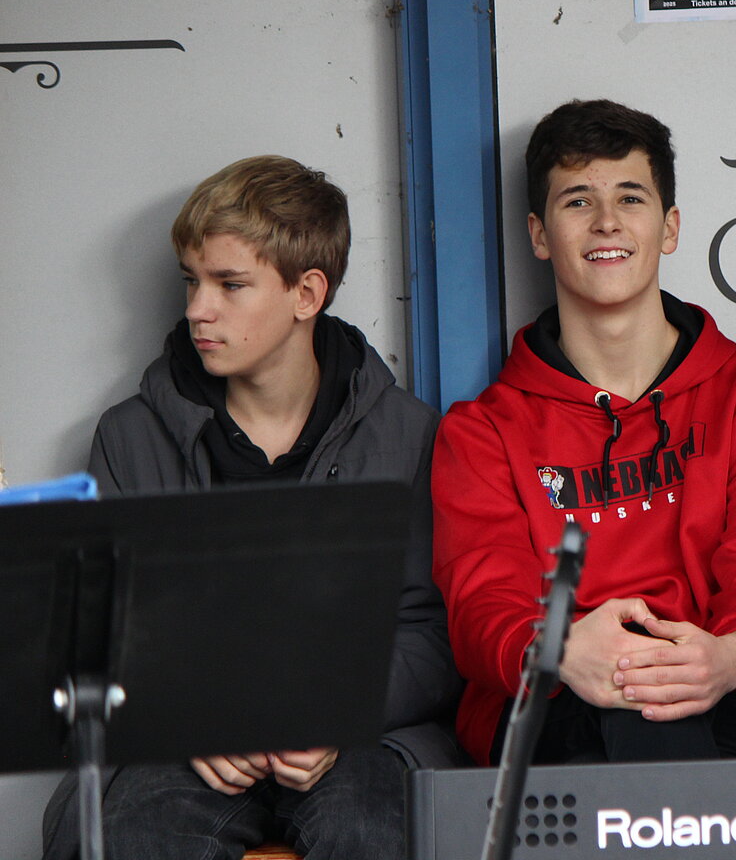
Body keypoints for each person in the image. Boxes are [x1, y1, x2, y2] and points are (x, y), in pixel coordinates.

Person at [43, 156, 463, 860]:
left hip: (358, 736)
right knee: (131, 839)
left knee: (374, 832)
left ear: (307, 293)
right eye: (191, 280)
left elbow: (434, 631)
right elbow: (94, 634)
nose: (196, 309)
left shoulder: (408, 434)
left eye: (229, 285)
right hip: (184, 742)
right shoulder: (130, 436)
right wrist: (187, 715)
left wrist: (334, 710)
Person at [431, 99, 736, 765]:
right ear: (539, 235)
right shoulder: (482, 433)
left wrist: (730, 655)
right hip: (551, 694)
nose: (606, 220)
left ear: (669, 228)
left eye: (630, 198)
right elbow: (482, 604)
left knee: (669, 742)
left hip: (723, 685)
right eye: (578, 200)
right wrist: (556, 652)